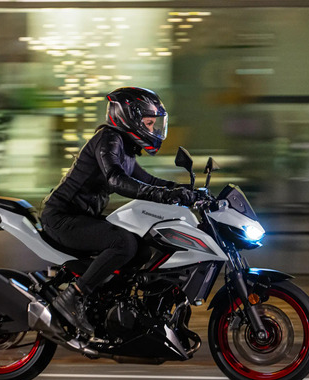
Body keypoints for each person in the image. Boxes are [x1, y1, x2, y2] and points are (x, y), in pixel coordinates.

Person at [41, 87, 195, 335]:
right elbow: (116, 180)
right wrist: (165, 195)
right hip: (62, 217)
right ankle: (73, 298)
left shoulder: (123, 147)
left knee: (142, 246)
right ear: (130, 117)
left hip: (81, 217)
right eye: (149, 122)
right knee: (123, 243)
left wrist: (183, 190)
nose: (154, 130)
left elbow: (147, 180)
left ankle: (109, 303)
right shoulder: (108, 140)